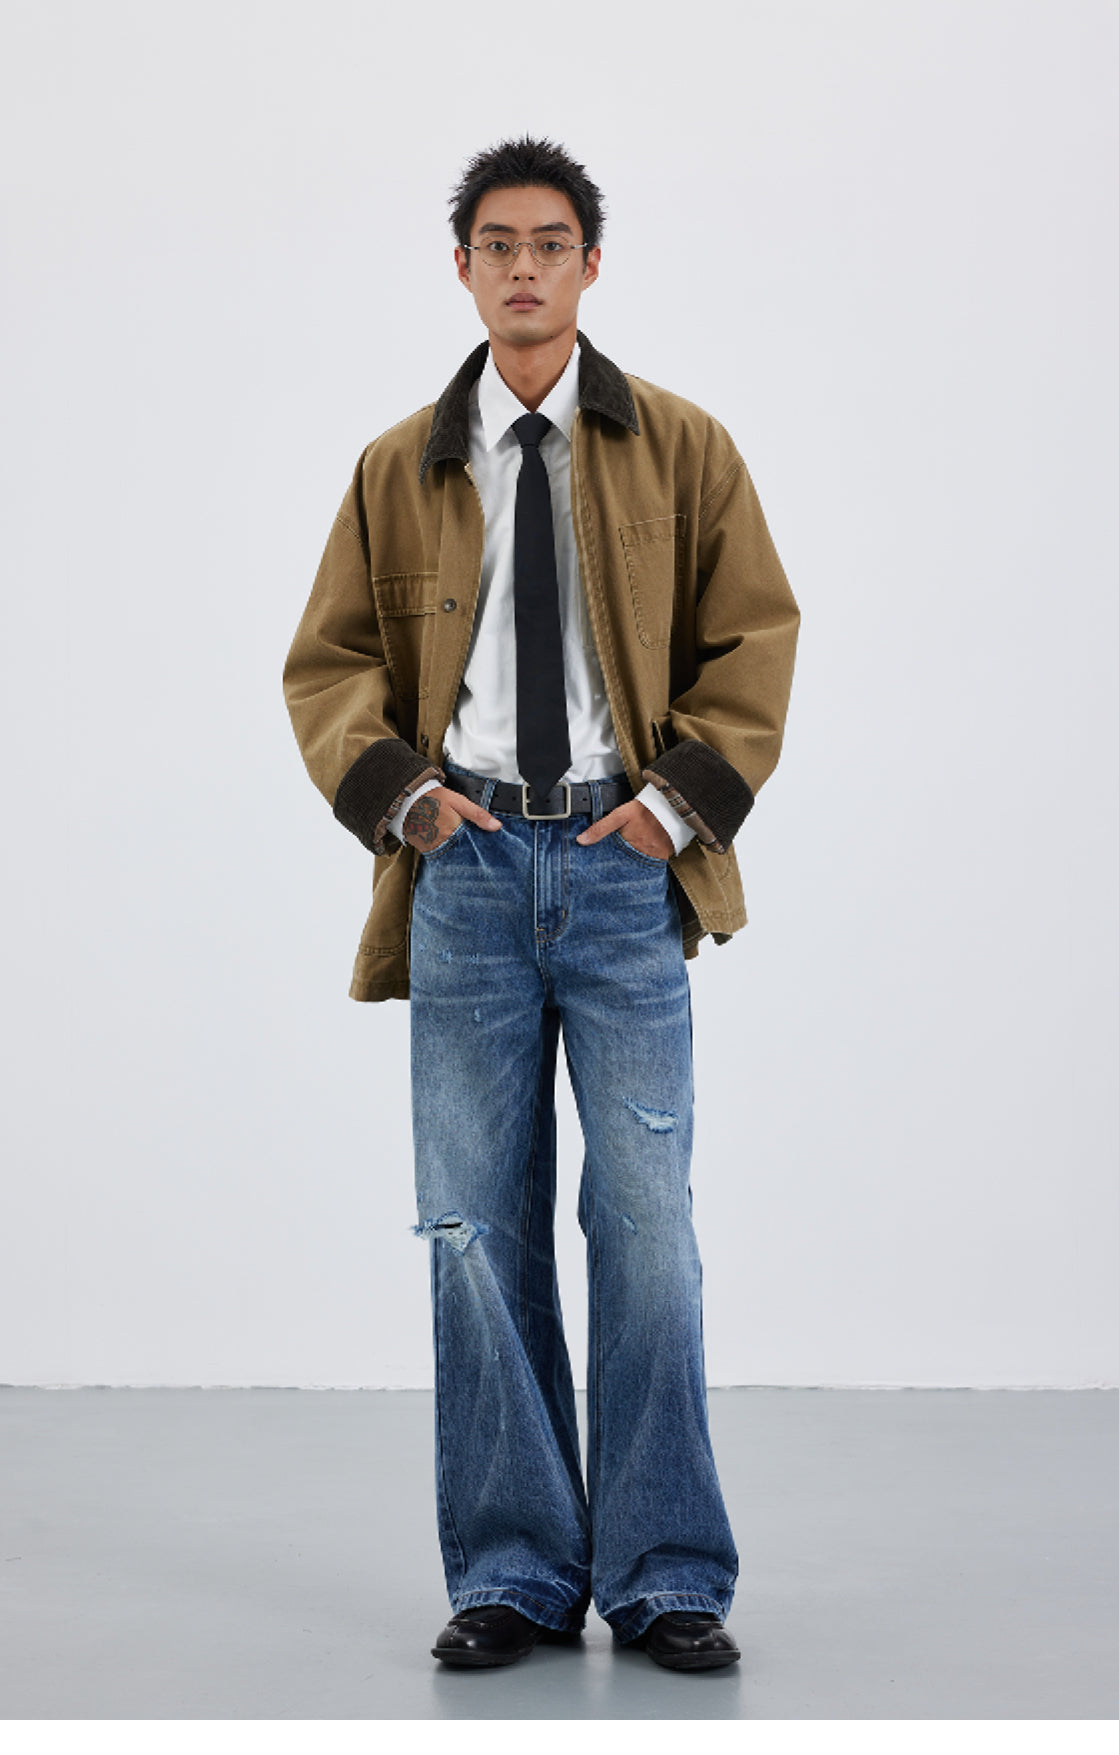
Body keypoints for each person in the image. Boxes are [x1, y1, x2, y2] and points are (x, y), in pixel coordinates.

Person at [283, 136, 799, 1673]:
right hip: (465, 874)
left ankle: (664, 1574)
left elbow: (754, 638)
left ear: (589, 265)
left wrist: (669, 809)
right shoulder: (399, 466)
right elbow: (327, 664)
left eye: (549, 243)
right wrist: (405, 800)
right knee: (471, 1229)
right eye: (496, 244)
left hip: (623, 874)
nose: (522, 267)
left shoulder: (683, 447)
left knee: (646, 1229)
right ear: (462, 269)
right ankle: (511, 1572)